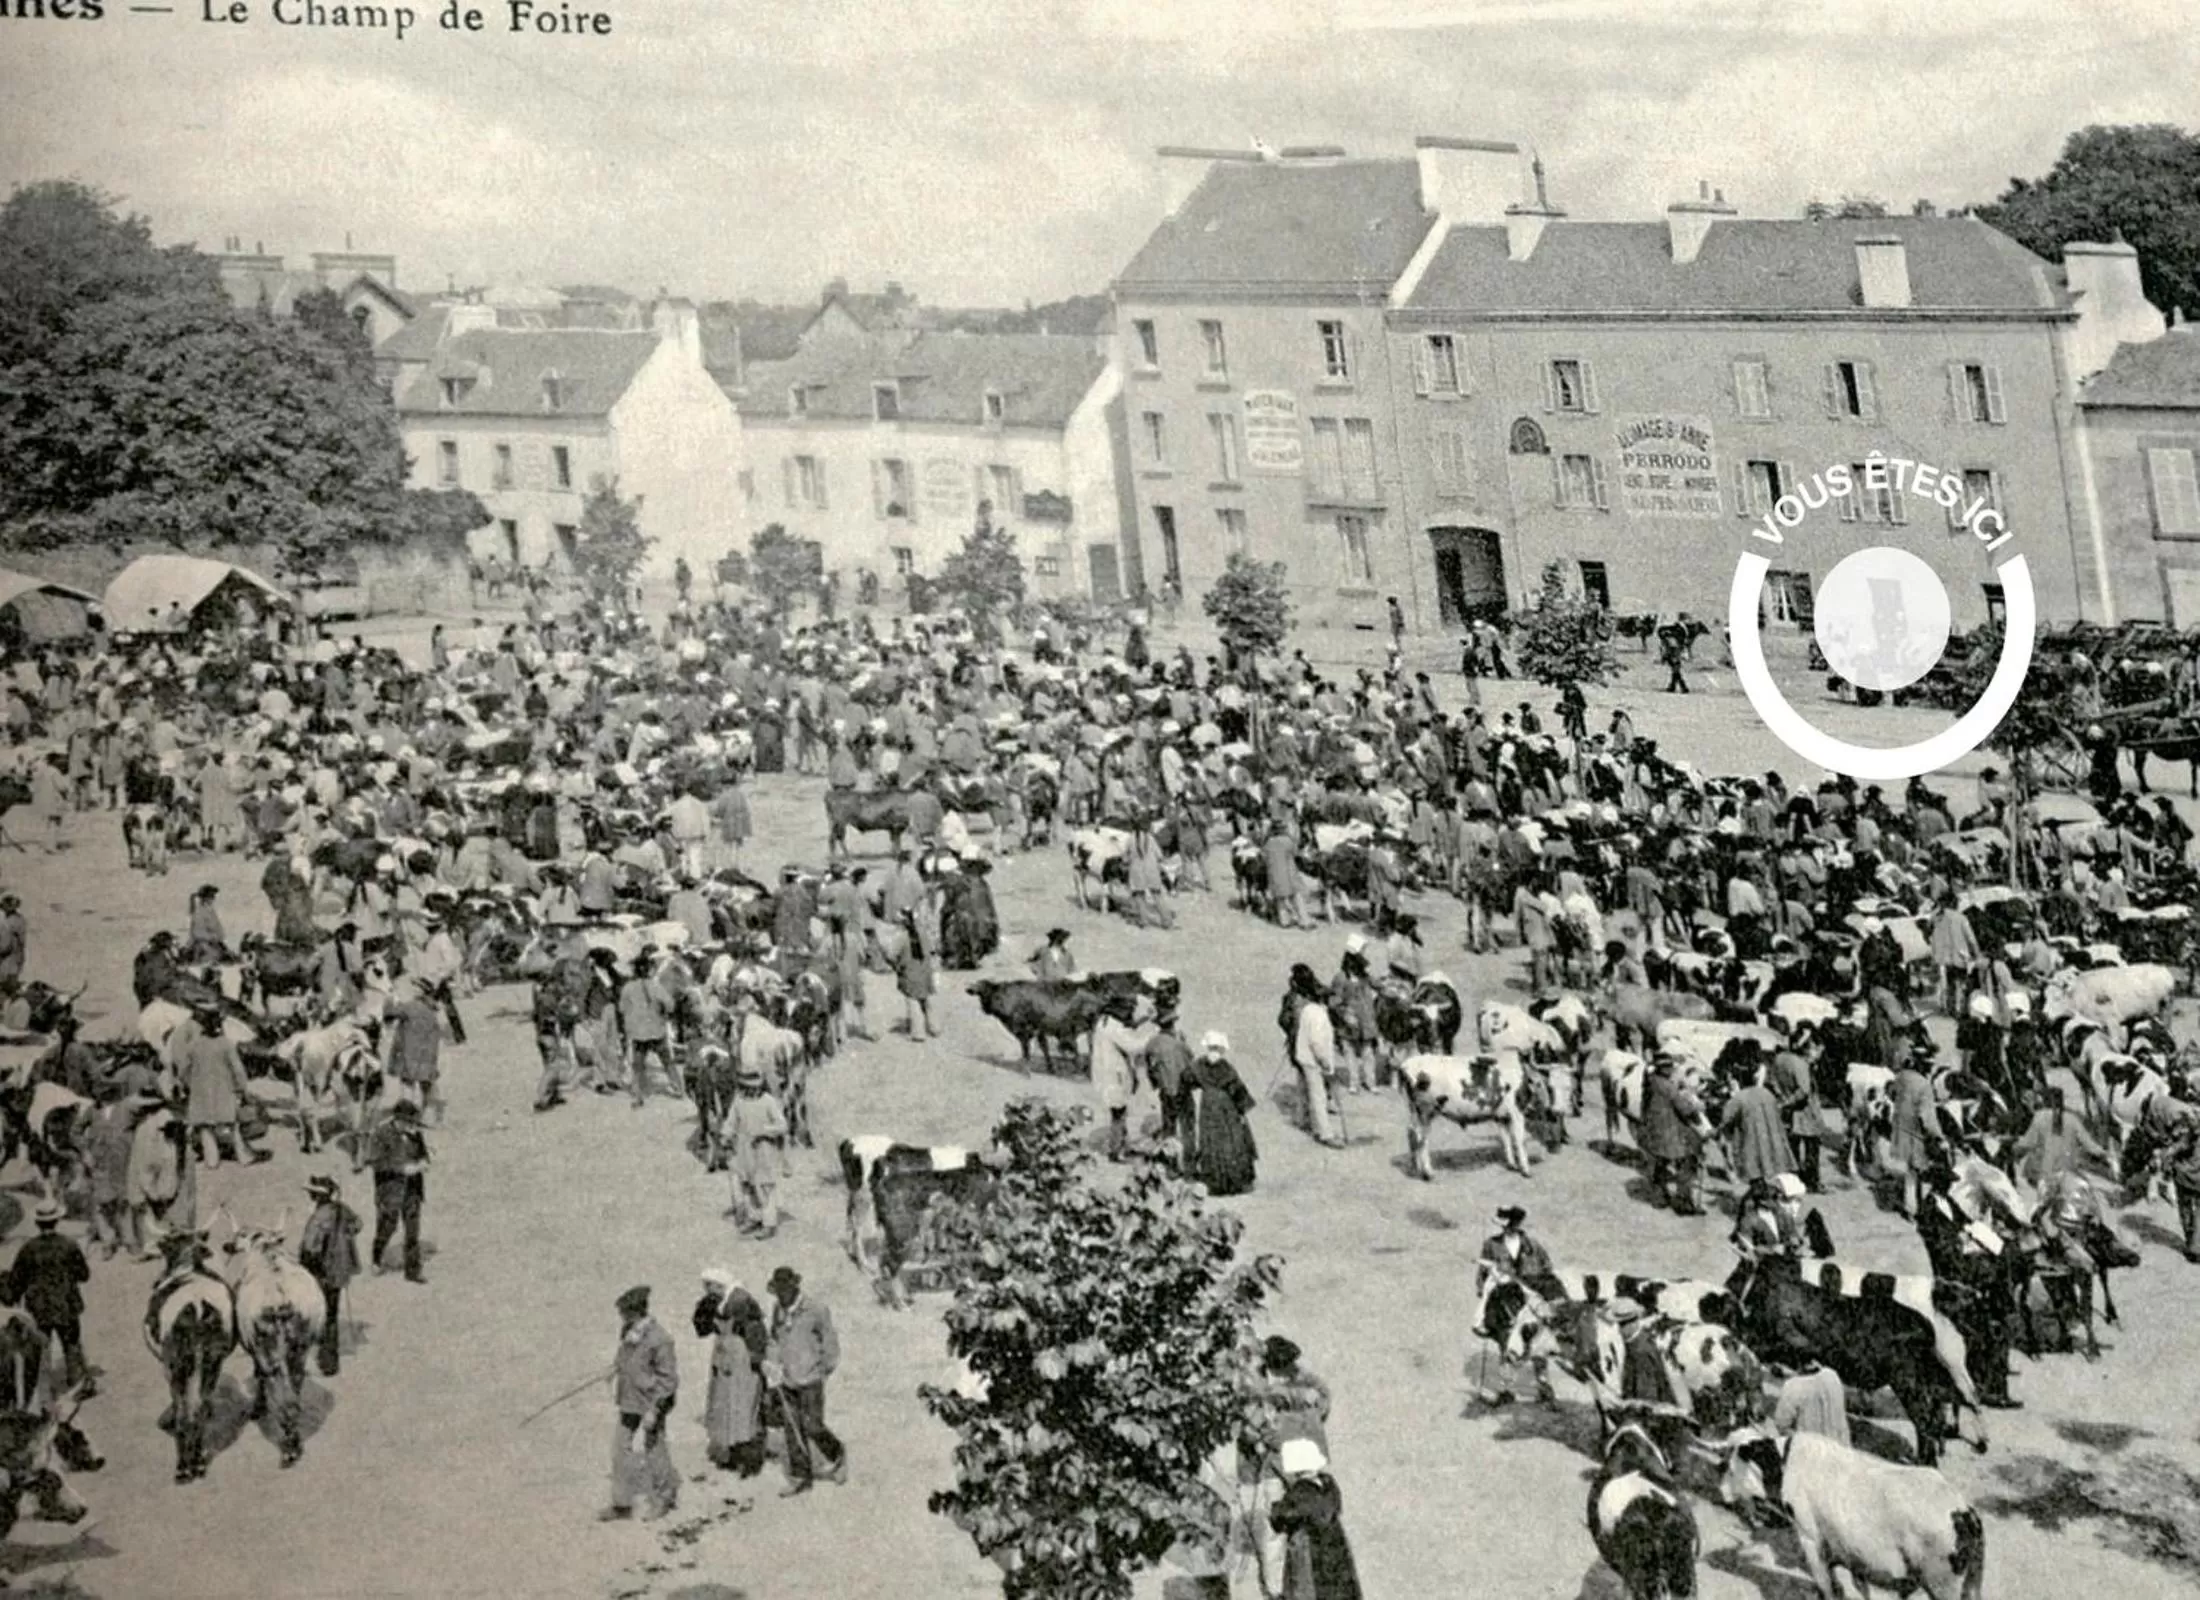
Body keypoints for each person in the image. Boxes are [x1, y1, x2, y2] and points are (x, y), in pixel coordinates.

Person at [764, 1265, 845, 1496]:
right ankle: (801, 1477)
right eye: (778, 1292)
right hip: (786, 1378)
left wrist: (824, 1369)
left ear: (794, 1287)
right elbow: (774, 1339)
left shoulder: (816, 1309)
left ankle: (837, 1454)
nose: (781, 1296)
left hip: (811, 1378)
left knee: (813, 1425)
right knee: (792, 1428)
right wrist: (772, 1363)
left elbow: (830, 1342)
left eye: (785, 1291)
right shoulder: (778, 1309)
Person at [601, 1285, 680, 1523]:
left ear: (636, 1312)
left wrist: (655, 1411)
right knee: (619, 1448)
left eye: (624, 1313)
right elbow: (624, 1354)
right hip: (629, 1398)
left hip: (651, 1402)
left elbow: (668, 1381)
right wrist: (614, 1367)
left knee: (655, 1450)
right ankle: (622, 1504)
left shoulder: (660, 1339)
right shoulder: (629, 1330)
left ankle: (664, 1497)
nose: (621, 1317)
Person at [7, 1200, 93, 1394]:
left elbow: (16, 1281)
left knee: (42, 1350)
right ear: (57, 1221)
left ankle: (42, 1392)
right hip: (67, 1305)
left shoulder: (28, 1248)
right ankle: (78, 1386)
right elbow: (84, 1275)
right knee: (71, 1346)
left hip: (39, 1307)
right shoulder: (69, 1245)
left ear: (38, 1223)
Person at [1266, 1437, 1363, 1600]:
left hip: (1310, 1549)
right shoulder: (1329, 1485)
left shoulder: (1300, 1492)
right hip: (1334, 1544)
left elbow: (1281, 1518)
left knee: (1308, 1588)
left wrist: (1275, 1507)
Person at [692, 1268, 767, 1477]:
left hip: (741, 1357)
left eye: (709, 1286)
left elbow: (756, 1330)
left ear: (719, 1284)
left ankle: (751, 1462)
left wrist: (756, 1357)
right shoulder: (718, 1300)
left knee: (743, 1408)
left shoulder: (741, 1299)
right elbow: (702, 1329)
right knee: (725, 1408)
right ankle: (734, 1456)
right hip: (724, 1357)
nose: (707, 1290)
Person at [181, 1002, 266, 1168]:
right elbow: (238, 1070)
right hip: (224, 1092)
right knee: (233, 1127)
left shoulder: (194, 1045)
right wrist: (241, 1089)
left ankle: (211, 1160)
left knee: (205, 1128)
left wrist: (190, 1085)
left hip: (201, 1094)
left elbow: (184, 1070)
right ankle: (244, 1157)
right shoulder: (226, 1044)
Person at [297, 1174, 361, 1377]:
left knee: (315, 1314)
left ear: (317, 1196)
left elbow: (310, 1248)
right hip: (339, 1270)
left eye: (312, 1194)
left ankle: (319, 1358)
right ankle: (331, 1362)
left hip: (321, 1272)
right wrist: (345, 1237)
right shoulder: (342, 1209)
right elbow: (358, 1224)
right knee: (332, 1314)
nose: (310, 1196)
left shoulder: (318, 1218)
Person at [363, 1099, 429, 1284]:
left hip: (413, 1190)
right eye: (410, 1123)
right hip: (389, 1191)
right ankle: (377, 1256)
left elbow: (423, 1154)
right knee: (387, 1227)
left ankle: (413, 1271)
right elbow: (375, 1162)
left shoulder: (416, 1134)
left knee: (412, 1232)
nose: (414, 1127)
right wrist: (401, 1168)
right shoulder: (381, 1134)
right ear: (399, 1120)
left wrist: (424, 1162)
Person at [1182, 1031, 1257, 1196]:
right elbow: (1237, 1089)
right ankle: (1234, 1181)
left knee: (1210, 1140)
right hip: (1225, 1105)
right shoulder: (1225, 1067)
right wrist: (1243, 1109)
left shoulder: (1199, 1064)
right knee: (1231, 1139)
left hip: (1208, 1104)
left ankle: (1214, 1181)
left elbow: (1188, 1078)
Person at [1639, 1053, 1705, 1214]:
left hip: (1653, 1130)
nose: (1672, 1070)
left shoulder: (1651, 1081)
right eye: (1669, 1067)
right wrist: (1698, 1106)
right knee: (1686, 1163)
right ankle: (1684, 1203)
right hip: (1669, 1132)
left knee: (1660, 1164)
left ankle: (1659, 1198)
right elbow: (1684, 1109)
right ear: (1664, 1069)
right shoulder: (1668, 1087)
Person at [1719, 1057, 1796, 1189]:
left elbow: (1726, 1120)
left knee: (1754, 1175)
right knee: (1766, 1171)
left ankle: (1758, 1197)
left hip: (1749, 1141)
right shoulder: (1767, 1093)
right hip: (1769, 1140)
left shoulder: (1739, 1098)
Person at [1288, 966, 1343, 1149]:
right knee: (1318, 1096)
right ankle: (1325, 1133)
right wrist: (1325, 1063)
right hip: (1314, 1060)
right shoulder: (1318, 1015)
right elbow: (1317, 1044)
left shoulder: (1307, 1009)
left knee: (1304, 1088)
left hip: (1303, 1055)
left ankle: (1300, 1118)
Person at [2011, 1086, 2107, 1190]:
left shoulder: (2039, 1117)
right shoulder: (2072, 1118)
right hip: (2068, 1171)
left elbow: (2027, 1143)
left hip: (2045, 1174)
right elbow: (2090, 1145)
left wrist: (2013, 1145)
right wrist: (2104, 1154)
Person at [1090, 996, 1147, 1161]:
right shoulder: (1114, 1028)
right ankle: (1116, 1151)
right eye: (1128, 1010)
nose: (1130, 1014)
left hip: (1106, 1074)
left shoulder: (1104, 1022)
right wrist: (1152, 1038)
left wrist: (1142, 1021)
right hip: (1113, 1076)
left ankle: (1122, 1145)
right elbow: (1133, 1046)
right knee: (1118, 1113)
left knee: (1119, 1112)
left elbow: (1127, 1029)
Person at [1771, 1355, 1849, 1445]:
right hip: (1841, 1449)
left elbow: (1781, 1425)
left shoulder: (1792, 1386)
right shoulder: (1832, 1376)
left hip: (1812, 1451)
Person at [183, 885, 227, 964]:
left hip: (213, 942)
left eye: (213, 896)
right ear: (204, 898)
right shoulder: (199, 911)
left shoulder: (210, 910)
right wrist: (212, 937)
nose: (213, 898)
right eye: (211, 896)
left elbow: (218, 928)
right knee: (214, 957)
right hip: (202, 944)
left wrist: (219, 938)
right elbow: (197, 931)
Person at [0, 894, 25, 989]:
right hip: (18, 958)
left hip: (7, 962)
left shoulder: (7, 923)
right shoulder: (20, 919)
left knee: (5, 988)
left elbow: (5, 946)